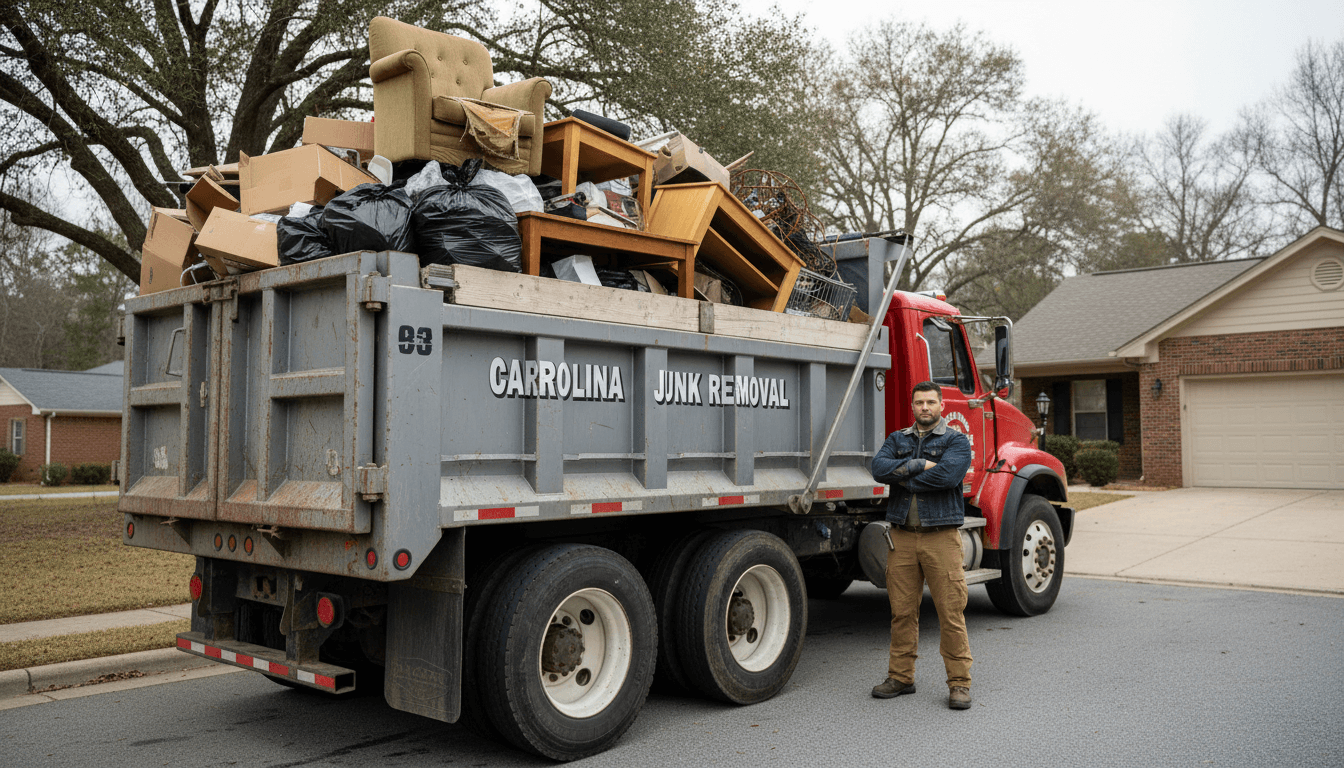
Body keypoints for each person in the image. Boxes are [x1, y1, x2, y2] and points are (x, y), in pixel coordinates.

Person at [869, 380, 975, 710]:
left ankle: (959, 683)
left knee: (950, 612)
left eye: (930, 402)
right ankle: (901, 677)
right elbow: (877, 468)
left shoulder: (957, 441)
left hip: (941, 537)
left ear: (941, 405)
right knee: (901, 612)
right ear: (912, 406)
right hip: (901, 536)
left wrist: (900, 475)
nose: (924, 407)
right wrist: (917, 464)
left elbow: (947, 477)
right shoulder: (897, 439)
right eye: (919, 403)